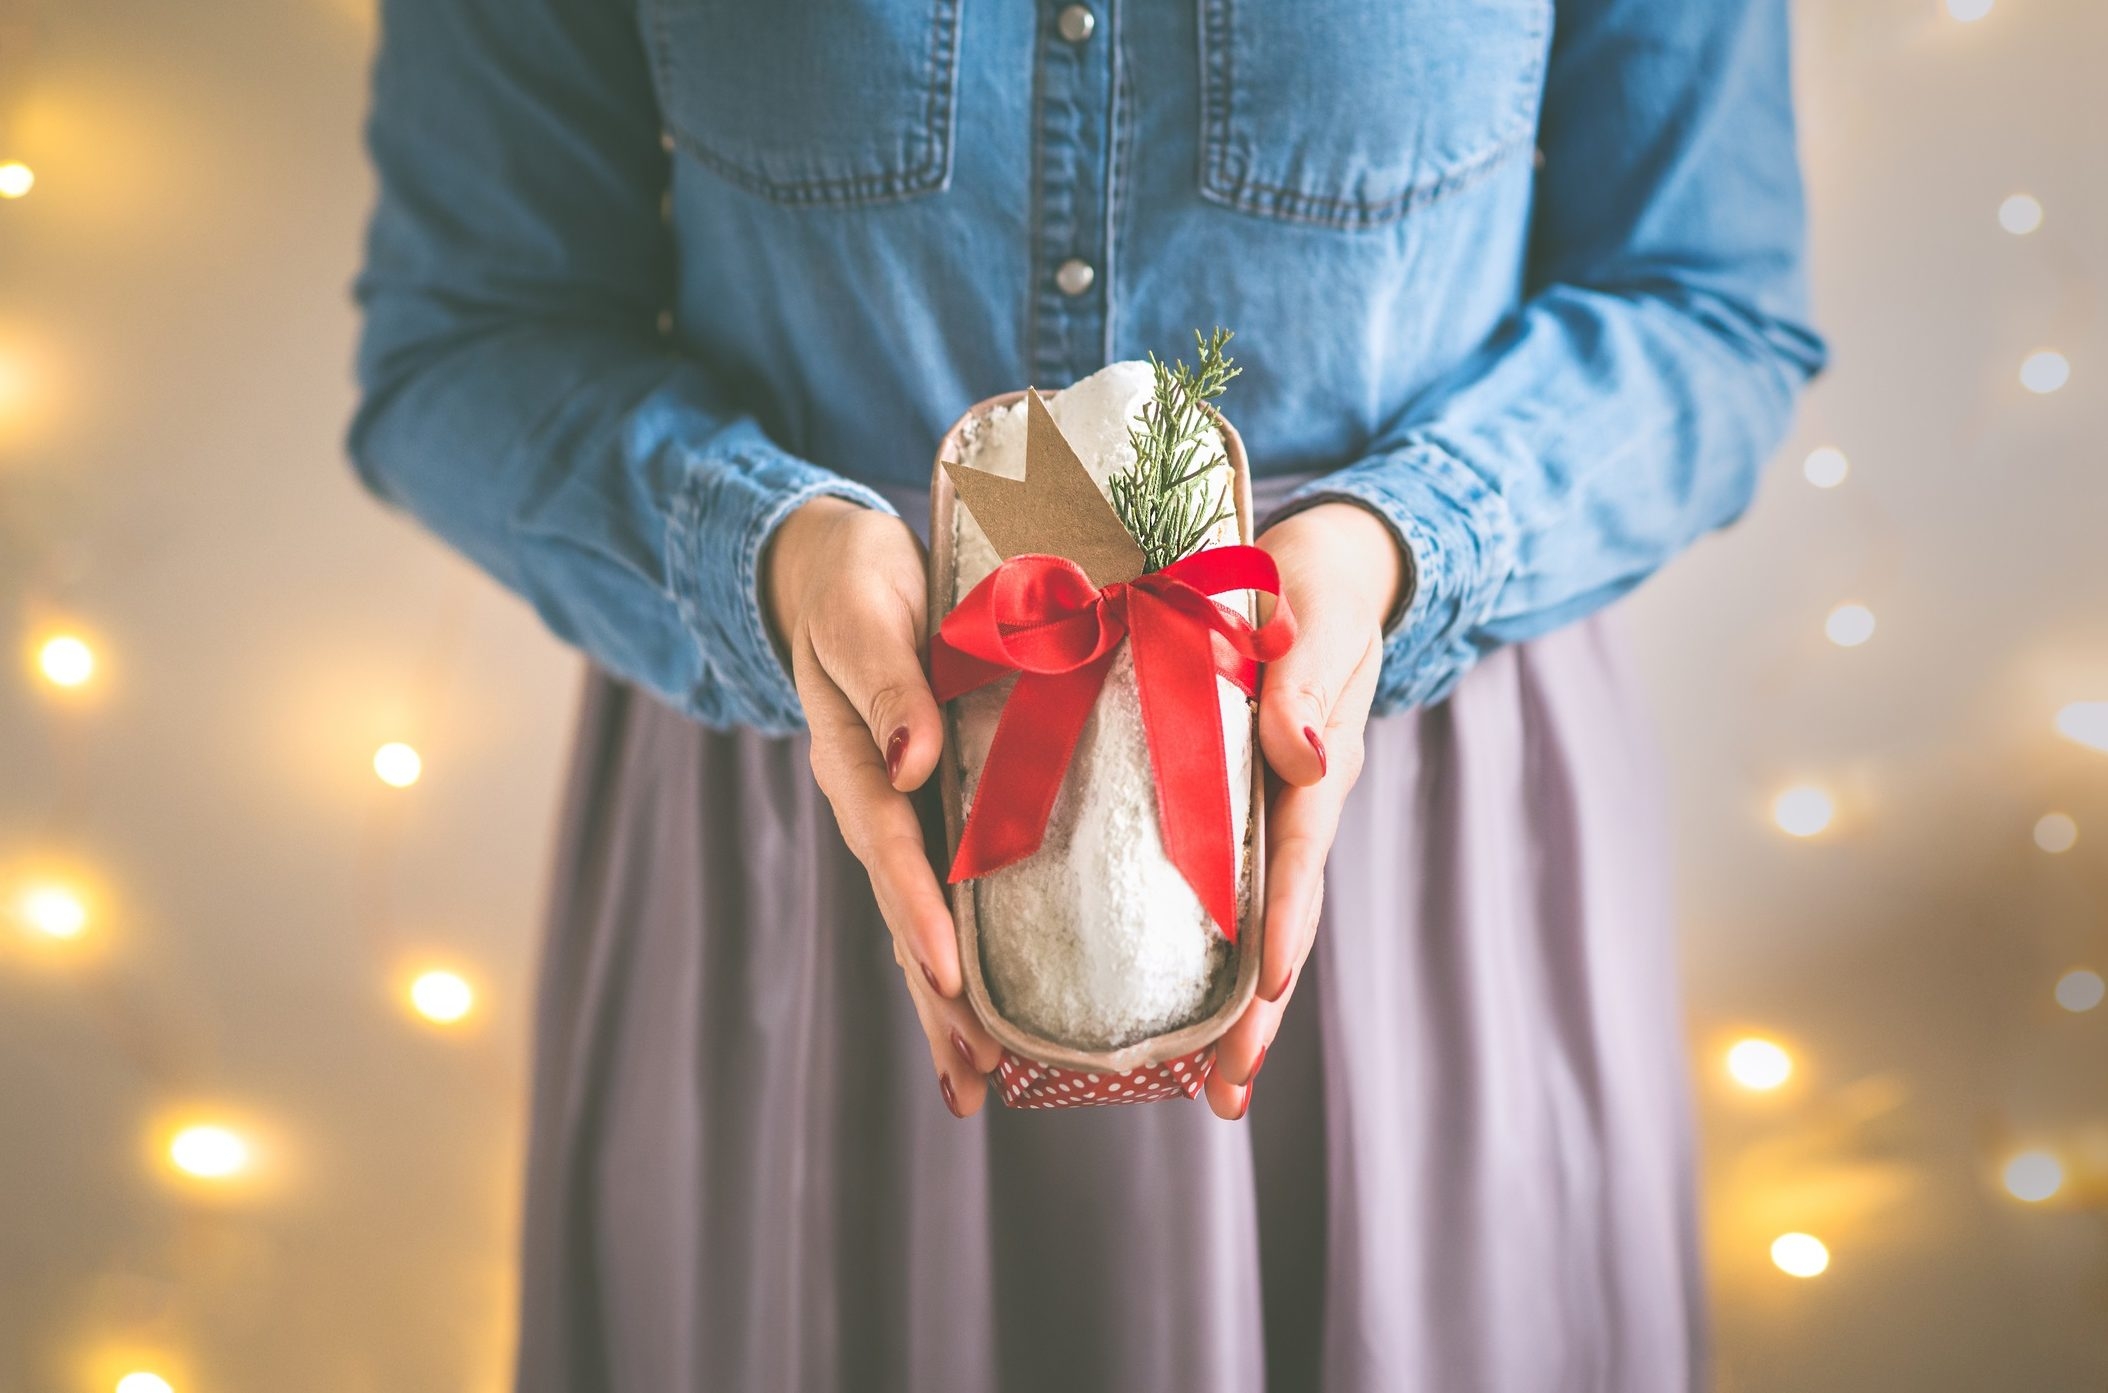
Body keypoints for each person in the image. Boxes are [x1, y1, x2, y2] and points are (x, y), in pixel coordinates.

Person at [350, 0, 1823, 1387]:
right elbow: (464, 342)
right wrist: (772, 553)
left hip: (1398, 833)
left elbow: (1706, 304)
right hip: (815, 831)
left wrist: (1404, 544)